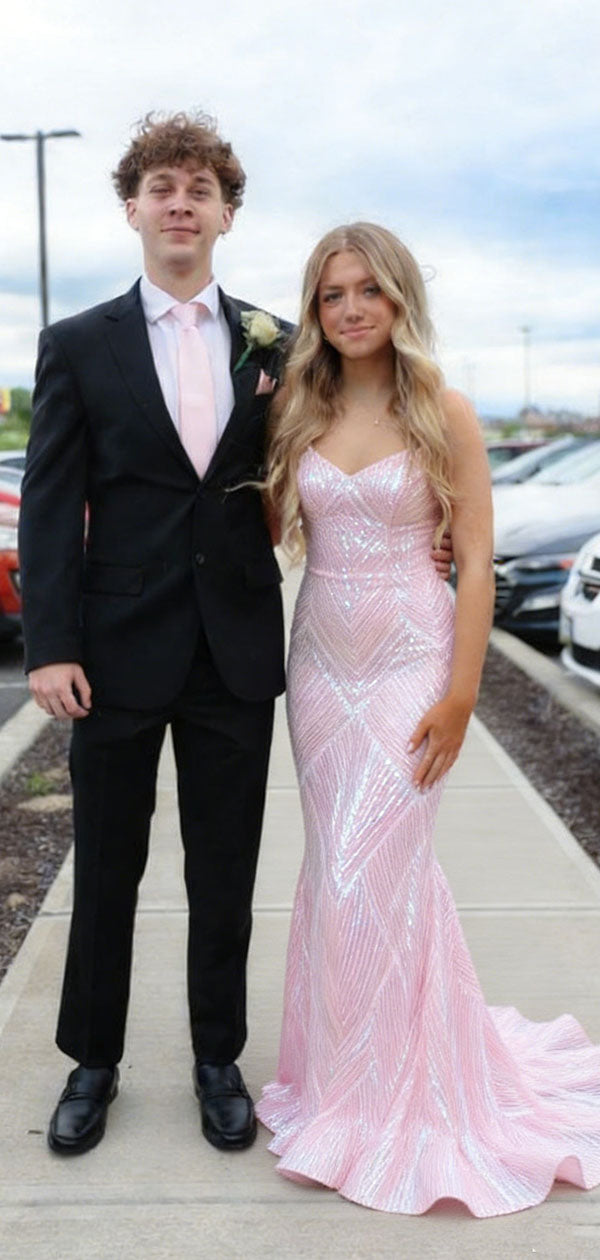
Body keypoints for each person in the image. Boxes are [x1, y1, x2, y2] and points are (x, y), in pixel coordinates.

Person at [256, 222, 600, 1216]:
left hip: (412, 667)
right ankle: (340, 1082)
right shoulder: (299, 406)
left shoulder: (441, 407)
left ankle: (403, 1095)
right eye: (332, 294)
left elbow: (477, 562)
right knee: (337, 874)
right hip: (322, 670)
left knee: (378, 872)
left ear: (400, 298)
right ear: (314, 310)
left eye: (369, 289)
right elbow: (266, 532)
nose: (351, 309)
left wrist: (460, 695)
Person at [18, 112, 292, 1156]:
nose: (181, 204)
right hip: (113, 652)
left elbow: (318, 466)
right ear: (132, 209)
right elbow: (51, 504)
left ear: (227, 215)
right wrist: (50, 644)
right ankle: (93, 1062)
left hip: (234, 650)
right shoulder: (77, 344)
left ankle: (219, 1060)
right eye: (163, 188)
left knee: (225, 873)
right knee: (107, 869)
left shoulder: (279, 342)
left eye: (201, 189)